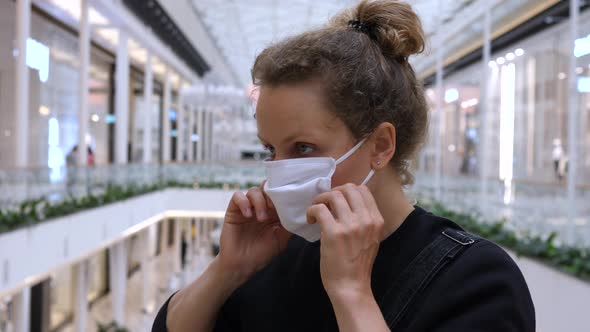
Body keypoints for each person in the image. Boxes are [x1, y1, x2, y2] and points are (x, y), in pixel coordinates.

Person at [152, 1, 535, 331]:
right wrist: (228, 270)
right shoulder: (281, 252)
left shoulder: (476, 279)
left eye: (303, 147)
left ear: (380, 146)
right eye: (269, 149)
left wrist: (352, 294)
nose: (277, 175)